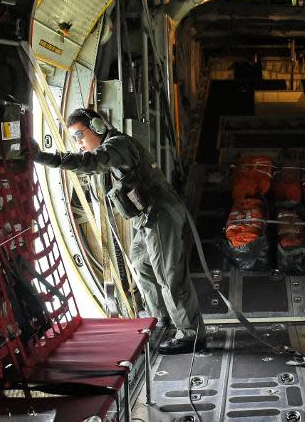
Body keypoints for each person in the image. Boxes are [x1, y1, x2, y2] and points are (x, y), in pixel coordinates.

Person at [30, 108, 204, 355]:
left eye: (80, 135)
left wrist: (43, 157)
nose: (78, 143)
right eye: (74, 139)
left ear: (99, 127)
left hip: (160, 214)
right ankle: (162, 319)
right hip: (146, 219)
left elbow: (89, 163)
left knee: (169, 275)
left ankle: (191, 335)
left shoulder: (117, 145)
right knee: (142, 265)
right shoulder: (111, 149)